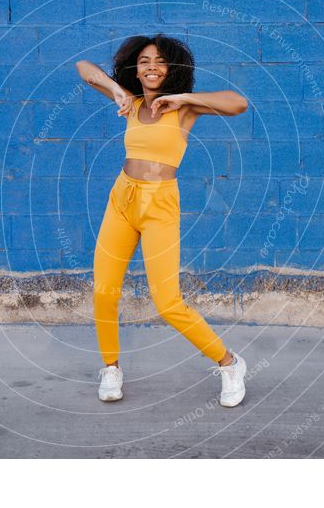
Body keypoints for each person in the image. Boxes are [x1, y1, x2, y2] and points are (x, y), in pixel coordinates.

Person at [76, 34, 249, 407]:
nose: (151, 66)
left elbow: (239, 104)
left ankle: (230, 363)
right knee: (104, 290)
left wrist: (186, 98)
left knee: (168, 301)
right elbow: (83, 69)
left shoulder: (183, 109)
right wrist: (115, 90)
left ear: (172, 69)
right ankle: (111, 368)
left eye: (159, 61)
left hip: (159, 204)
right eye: (143, 61)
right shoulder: (131, 101)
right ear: (134, 70)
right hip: (122, 199)